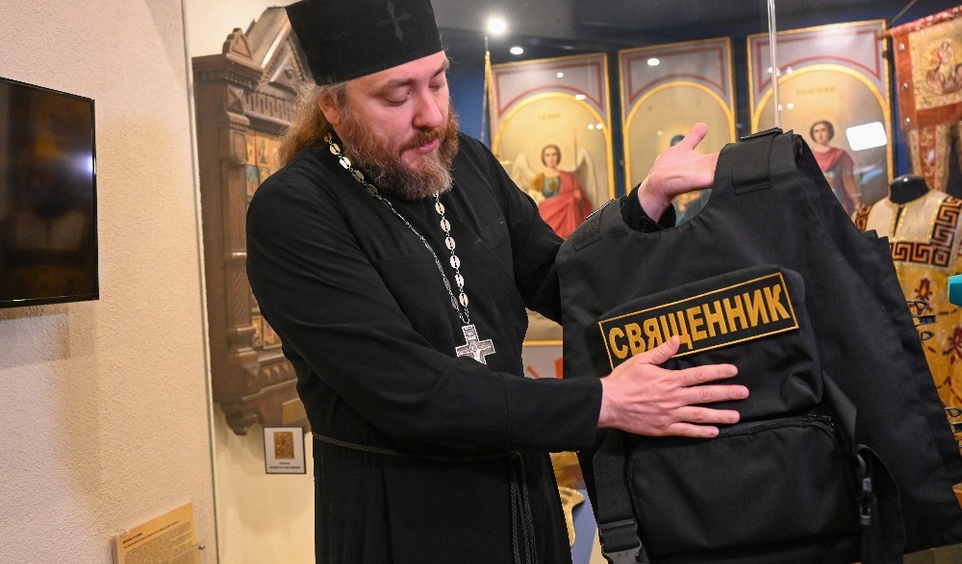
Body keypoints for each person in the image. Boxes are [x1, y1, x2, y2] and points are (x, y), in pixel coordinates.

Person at [246, 1, 746, 562]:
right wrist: (603, 402)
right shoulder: (294, 211)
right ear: (334, 107)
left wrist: (644, 206)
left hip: (523, 498)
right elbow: (411, 392)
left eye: (437, 82)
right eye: (397, 96)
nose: (431, 115)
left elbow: (562, 280)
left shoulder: (466, 164)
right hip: (402, 520)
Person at [528, 144, 592, 238]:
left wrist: (578, 197)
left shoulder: (568, 177)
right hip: (546, 218)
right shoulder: (537, 179)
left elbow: (581, 201)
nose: (551, 158)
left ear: (558, 156)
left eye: (554, 154)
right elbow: (533, 202)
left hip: (566, 221)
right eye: (547, 155)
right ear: (543, 158)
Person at [809, 119, 860, 214]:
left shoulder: (840, 155)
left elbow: (847, 180)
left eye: (823, 130)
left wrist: (857, 203)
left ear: (829, 132)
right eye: (816, 131)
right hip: (817, 201)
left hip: (839, 199)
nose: (820, 134)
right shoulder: (808, 155)